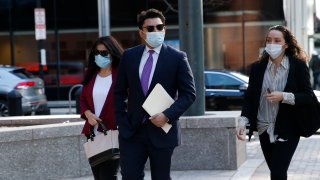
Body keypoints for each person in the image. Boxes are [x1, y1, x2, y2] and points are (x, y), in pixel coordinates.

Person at [114, 8, 196, 180]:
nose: (156, 31)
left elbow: (189, 94)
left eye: (160, 27)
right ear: (141, 32)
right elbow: (119, 92)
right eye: (150, 28)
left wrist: (167, 115)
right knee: (129, 176)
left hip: (162, 132)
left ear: (164, 29)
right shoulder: (129, 56)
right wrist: (122, 122)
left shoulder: (177, 58)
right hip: (132, 132)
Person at [236, 25, 313, 180]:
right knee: (276, 172)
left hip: (287, 128)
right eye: (269, 40)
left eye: (277, 40)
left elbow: (308, 96)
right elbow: (250, 97)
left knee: (277, 172)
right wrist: (243, 121)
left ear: (286, 44)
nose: (272, 44)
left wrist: (283, 96)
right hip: (263, 127)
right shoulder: (258, 67)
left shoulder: (297, 66)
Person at [80, 36, 124, 180]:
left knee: (108, 176)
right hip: (93, 134)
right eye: (96, 53)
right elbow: (83, 100)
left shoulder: (121, 74)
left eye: (104, 53)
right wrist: (87, 113)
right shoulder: (91, 74)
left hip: (114, 133)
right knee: (98, 177)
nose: (100, 56)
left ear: (112, 53)